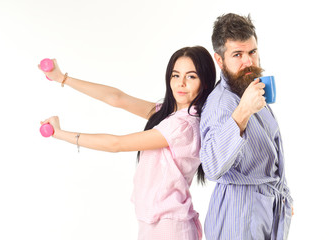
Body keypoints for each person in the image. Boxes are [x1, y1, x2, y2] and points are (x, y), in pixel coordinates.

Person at [39, 46, 216, 240]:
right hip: (155, 222)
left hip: (170, 226)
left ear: (205, 83)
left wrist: (60, 133)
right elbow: (117, 98)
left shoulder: (183, 126)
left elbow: (116, 144)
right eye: (175, 75)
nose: (181, 83)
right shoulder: (170, 114)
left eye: (191, 77)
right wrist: (62, 78)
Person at [199, 13, 293, 239]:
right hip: (237, 216)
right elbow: (211, 166)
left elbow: (270, 154)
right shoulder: (221, 104)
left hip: (265, 212)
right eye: (237, 55)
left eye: (252, 52)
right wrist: (243, 112)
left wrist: (285, 197)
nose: (248, 61)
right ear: (220, 60)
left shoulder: (250, 88)